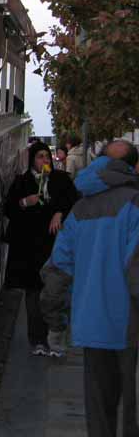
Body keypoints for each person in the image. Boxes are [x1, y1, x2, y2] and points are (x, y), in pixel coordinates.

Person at [41, 139, 139, 437]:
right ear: (133, 167)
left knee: (99, 412)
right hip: (129, 327)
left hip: (91, 324)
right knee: (131, 414)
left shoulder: (79, 209)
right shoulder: (135, 205)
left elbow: (57, 269)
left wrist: (55, 323)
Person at [4, 141, 78, 356]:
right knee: (34, 293)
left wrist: (59, 212)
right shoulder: (22, 181)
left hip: (53, 243)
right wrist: (25, 202)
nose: (44, 160)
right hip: (29, 246)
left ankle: (54, 337)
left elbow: (73, 201)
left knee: (55, 291)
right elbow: (9, 208)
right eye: (40, 157)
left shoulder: (61, 180)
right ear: (32, 160)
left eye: (47, 156)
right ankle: (37, 339)